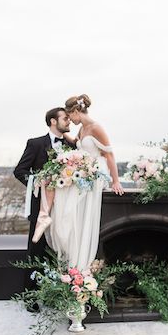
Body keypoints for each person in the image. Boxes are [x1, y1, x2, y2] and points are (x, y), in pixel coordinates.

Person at [48, 94, 124, 271]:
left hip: (96, 173)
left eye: (69, 116)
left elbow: (109, 154)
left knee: (70, 207)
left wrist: (116, 181)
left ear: (76, 111)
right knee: (65, 208)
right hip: (83, 172)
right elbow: (76, 144)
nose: (69, 120)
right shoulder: (82, 129)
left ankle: (80, 263)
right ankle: (71, 257)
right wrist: (59, 134)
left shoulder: (96, 128)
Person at [13, 107, 74, 290]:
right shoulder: (35, 144)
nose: (68, 121)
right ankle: (31, 296)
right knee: (36, 251)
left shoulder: (72, 147)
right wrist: (38, 182)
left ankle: (57, 294)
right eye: (65, 118)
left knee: (61, 251)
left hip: (65, 209)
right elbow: (19, 171)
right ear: (53, 121)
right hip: (42, 207)